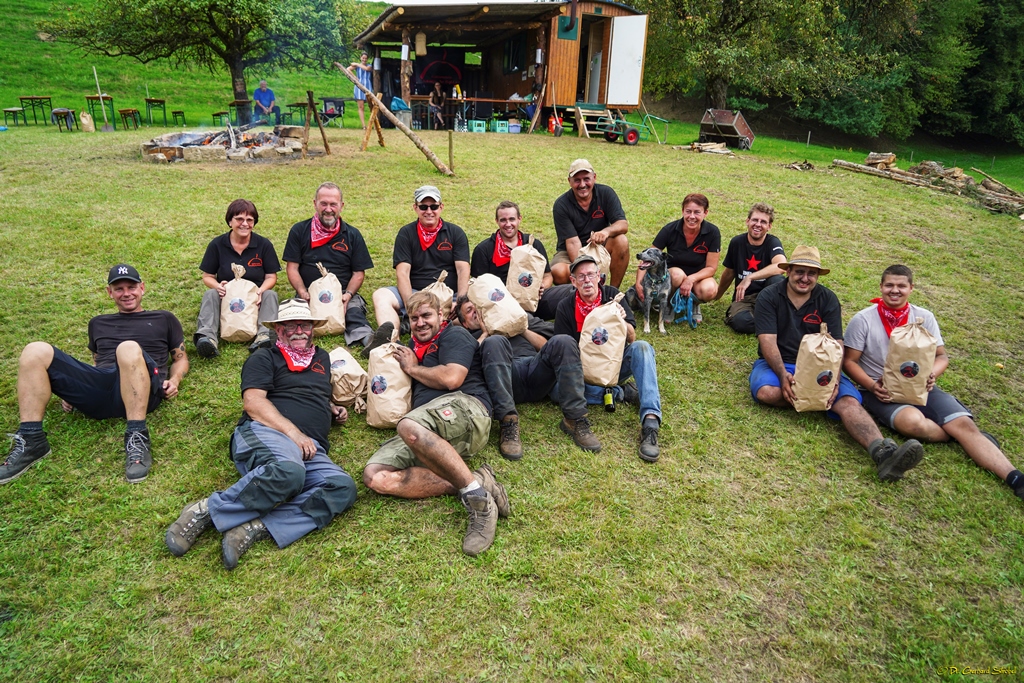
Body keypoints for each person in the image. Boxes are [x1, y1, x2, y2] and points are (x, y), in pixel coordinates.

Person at [164, 299, 357, 570]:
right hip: (266, 432)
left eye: (304, 325)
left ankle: (256, 526)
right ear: (278, 330)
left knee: (341, 487)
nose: (299, 330)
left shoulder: (321, 358)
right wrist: (294, 432)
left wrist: (332, 409)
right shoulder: (264, 357)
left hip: (311, 448)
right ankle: (205, 511)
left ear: (313, 328)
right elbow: (253, 403)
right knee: (289, 471)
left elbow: (314, 394)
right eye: (291, 325)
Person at [843, 265, 1024, 501]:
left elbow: (942, 356)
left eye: (901, 286)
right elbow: (849, 361)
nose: (894, 290)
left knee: (965, 425)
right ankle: (963, 439)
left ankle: (1016, 478)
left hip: (922, 388)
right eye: (889, 285)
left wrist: (932, 375)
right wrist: (871, 385)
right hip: (880, 393)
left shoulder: (924, 317)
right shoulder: (863, 319)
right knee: (913, 424)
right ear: (881, 287)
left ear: (911, 288)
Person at [1, 264, 188, 485]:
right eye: (119, 289)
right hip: (101, 390)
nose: (126, 293)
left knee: (127, 348)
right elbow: (98, 362)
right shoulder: (98, 323)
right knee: (35, 349)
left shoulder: (164, 318)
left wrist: (174, 380)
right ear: (110, 293)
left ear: (142, 288)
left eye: (131, 287)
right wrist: (71, 389)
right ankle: (32, 439)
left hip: (144, 389)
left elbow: (181, 358)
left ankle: (137, 435)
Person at [751, 246, 925, 481]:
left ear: (818, 276)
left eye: (811, 273)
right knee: (766, 393)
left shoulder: (828, 299)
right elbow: (767, 341)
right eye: (799, 271)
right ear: (788, 271)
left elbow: (838, 344)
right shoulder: (769, 296)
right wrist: (783, 375)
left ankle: (883, 452)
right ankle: (815, 400)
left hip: (822, 368)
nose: (805, 278)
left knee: (849, 402)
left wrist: (831, 382)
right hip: (780, 364)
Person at [363, 292, 509, 557]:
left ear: (441, 316)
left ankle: (478, 501)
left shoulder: (453, 336)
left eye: (427, 315)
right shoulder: (413, 348)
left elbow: (453, 378)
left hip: (467, 409)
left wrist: (413, 369)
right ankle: (477, 481)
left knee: (408, 428)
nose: (420, 323)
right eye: (414, 318)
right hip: (426, 424)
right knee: (375, 477)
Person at [455, 295, 602, 459]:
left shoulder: (512, 323)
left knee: (564, 341)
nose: (475, 311)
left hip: (534, 370)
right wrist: (485, 333)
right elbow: (466, 363)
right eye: (469, 310)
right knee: (495, 341)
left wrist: (521, 328)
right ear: (464, 323)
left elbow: (548, 349)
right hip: (507, 379)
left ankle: (575, 419)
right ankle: (508, 422)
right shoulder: (468, 338)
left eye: (477, 306)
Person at [554, 254, 663, 463]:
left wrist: (623, 321)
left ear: (599, 277)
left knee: (643, 348)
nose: (587, 280)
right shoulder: (565, 307)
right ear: (573, 281)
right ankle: (619, 393)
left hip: (614, 365)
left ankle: (650, 423)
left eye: (591, 275)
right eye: (581, 276)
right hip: (583, 373)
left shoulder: (613, 295)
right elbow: (564, 355)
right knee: (557, 391)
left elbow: (632, 338)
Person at [370, 185, 470, 348]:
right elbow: (402, 273)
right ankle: (392, 341)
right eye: (423, 206)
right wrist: (411, 306)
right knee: (380, 295)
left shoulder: (455, 232)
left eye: (434, 206)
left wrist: (459, 302)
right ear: (415, 208)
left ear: (441, 207)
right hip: (415, 293)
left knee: (471, 308)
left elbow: (463, 269)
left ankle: (417, 325)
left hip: (448, 295)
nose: (429, 211)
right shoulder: (406, 233)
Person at [283, 182, 376, 351]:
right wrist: (303, 292)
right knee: (296, 317)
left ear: (341, 206)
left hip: (342, 295)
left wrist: (348, 295)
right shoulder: (299, 231)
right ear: (315, 204)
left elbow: (358, 273)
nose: (328, 209)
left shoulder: (352, 234)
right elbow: (292, 268)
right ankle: (291, 344)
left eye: (333, 204)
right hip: (308, 295)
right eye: (323, 203)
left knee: (354, 313)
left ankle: (369, 341)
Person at [195, 198, 281, 358]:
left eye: (250, 220)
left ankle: (264, 336)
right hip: (228, 297)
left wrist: (261, 290)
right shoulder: (217, 245)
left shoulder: (263, 245)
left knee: (271, 295)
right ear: (230, 221)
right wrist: (217, 286)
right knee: (210, 294)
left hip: (255, 299)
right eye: (239, 219)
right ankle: (207, 338)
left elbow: (271, 276)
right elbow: (207, 276)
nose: (245, 224)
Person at [469, 200, 570, 320]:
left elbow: (548, 276)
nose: (508, 224)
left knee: (571, 291)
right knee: (526, 319)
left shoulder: (533, 244)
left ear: (519, 219)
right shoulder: (484, 249)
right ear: (497, 221)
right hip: (502, 306)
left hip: (535, 300)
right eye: (503, 220)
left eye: (512, 219)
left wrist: (543, 286)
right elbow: (478, 286)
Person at [637, 193, 720, 324]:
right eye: (688, 211)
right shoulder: (670, 229)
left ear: (705, 213)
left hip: (698, 276)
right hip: (673, 275)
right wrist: (638, 282)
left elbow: (711, 268)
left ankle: (693, 304)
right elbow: (649, 256)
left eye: (697, 212)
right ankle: (669, 304)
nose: (692, 216)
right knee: (676, 275)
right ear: (682, 211)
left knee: (710, 289)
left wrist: (691, 279)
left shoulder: (713, 232)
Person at [551, 159, 630, 288]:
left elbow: (623, 224)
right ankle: (582, 294)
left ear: (594, 178)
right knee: (558, 272)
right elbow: (572, 243)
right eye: (577, 180)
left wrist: (606, 232)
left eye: (586, 179)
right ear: (569, 182)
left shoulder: (606, 193)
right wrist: (587, 269)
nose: (582, 184)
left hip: (599, 245)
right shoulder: (561, 205)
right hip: (570, 250)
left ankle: (613, 292)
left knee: (622, 241)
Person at [712, 202, 786, 334]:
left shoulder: (772, 242)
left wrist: (750, 277)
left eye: (763, 222)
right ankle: (772, 324)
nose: (758, 224)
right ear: (747, 221)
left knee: (778, 279)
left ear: (769, 226)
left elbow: (781, 266)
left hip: (767, 297)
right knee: (741, 323)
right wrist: (718, 294)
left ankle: (771, 320)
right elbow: (729, 272)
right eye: (755, 220)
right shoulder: (737, 242)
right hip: (744, 298)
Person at [349, 52, 374, 128]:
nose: (364, 59)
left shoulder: (369, 66)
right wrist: (354, 77)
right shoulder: (357, 66)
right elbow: (348, 69)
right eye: (363, 58)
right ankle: (363, 125)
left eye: (366, 58)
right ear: (361, 58)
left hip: (367, 86)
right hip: (359, 86)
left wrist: (356, 64)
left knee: (371, 105)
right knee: (361, 106)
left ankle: (372, 123)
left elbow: (366, 69)